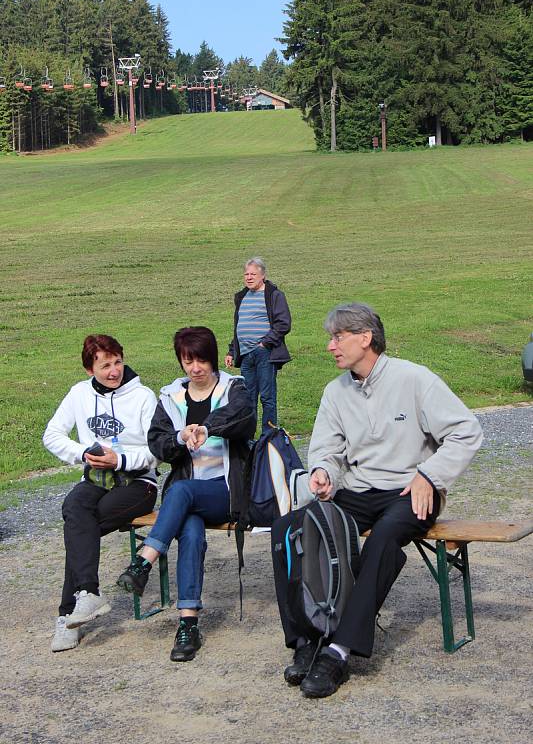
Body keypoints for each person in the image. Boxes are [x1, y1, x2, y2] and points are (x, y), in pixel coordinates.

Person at [271, 302, 483, 699]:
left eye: (338, 337)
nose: (331, 346)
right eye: (330, 338)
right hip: (358, 489)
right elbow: (327, 451)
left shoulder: (415, 380)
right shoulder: (335, 392)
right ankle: (305, 640)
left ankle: (339, 650)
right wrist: (323, 473)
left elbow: (466, 432)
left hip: (411, 490)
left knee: (384, 537)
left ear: (365, 338)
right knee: (289, 529)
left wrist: (430, 475)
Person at [117, 326, 256, 662]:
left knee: (180, 491)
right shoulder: (170, 398)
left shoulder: (233, 388)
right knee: (190, 531)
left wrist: (206, 427)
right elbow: (158, 443)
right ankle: (188, 624)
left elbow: (243, 419)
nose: (196, 367)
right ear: (180, 361)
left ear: (212, 359)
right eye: (188, 360)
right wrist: (180, 438)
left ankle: (144, 562)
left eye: (202, 359)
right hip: (190, 498)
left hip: (227, 492)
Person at [43, 334, 158, 653]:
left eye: (118, 362)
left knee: (79, 528)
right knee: (75, 508)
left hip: (138, 483)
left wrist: (119, 459)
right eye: (105, 365)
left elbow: (156, 450)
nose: (114, 371)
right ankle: (87, 596)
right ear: (88, 369)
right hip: (96, 479)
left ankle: (68, 616)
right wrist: (84, 453)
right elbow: (51, 435)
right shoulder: (79, 394)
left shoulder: (143, 396)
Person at [225, 257, 291, 435]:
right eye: (246, 274)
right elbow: (239, 327)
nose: (249, 277)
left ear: (263, 275)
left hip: (264, 353)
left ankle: (268, 438)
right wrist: (232, 350)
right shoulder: (242, 296)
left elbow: (283, 324)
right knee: (248, 398)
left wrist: (264, 344)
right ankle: (248, 437)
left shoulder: (274, 295)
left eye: (253, 274)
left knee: (268, 398)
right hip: (246, 355)